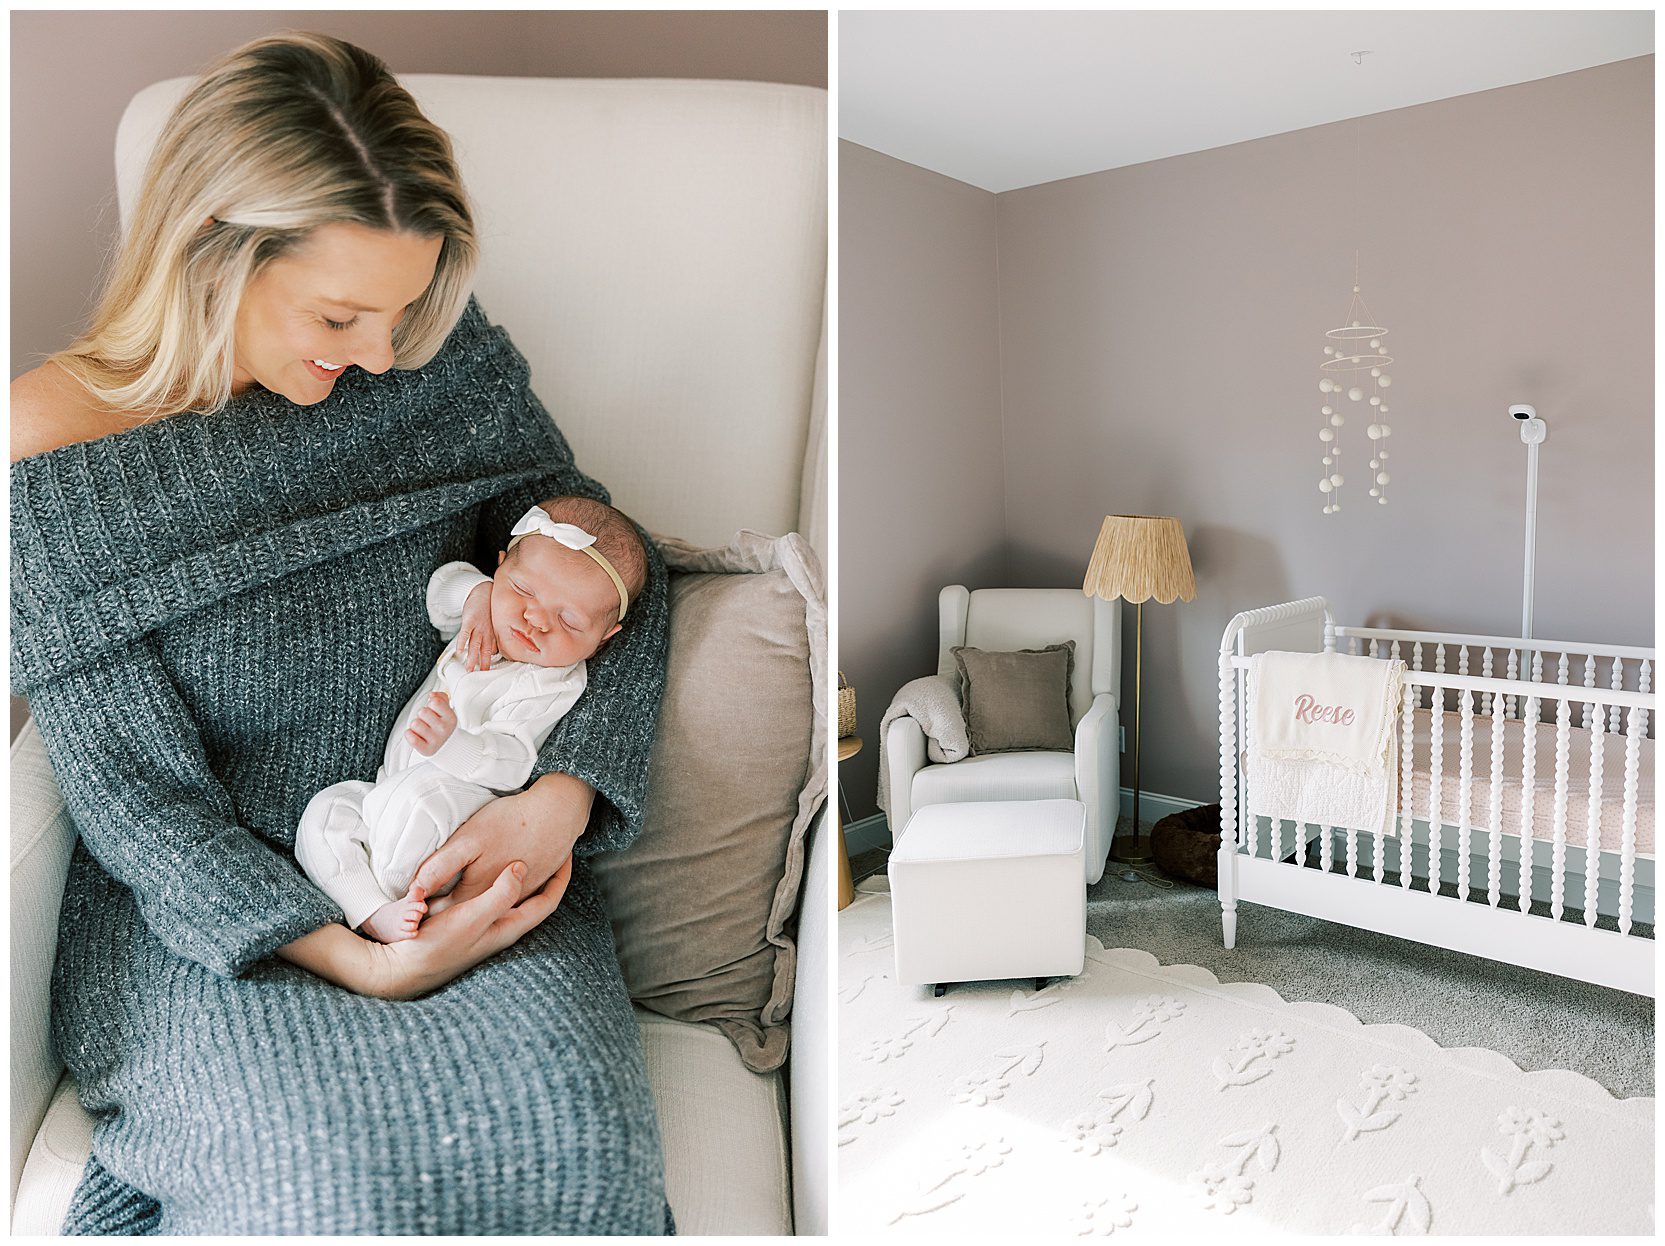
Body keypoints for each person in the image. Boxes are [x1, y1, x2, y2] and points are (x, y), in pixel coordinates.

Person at [10, 32, 673, 1234]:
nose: (379, 354)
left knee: (580, 1162)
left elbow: (615, 568)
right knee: (325, 1197)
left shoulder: (430, 362)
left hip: (462, 858)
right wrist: (358, 955)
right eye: (342, 313)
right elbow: (137, 802)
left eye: (405, 310)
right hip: (219, 923)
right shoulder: (53, 458)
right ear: (215, 247)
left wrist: (563, 794)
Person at [296, 497, 649, 943]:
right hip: (384, 790)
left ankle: (413, 904)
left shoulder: (553, 682)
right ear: (500, 567)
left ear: (603, 640)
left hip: (464, 806)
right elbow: (439, 589)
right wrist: (476, 597)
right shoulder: (483, 622)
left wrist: (452, 744)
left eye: (569, 620)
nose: (535, 619)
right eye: (523, 590)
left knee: (422, 798)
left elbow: (515, 761)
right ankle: (372, 909)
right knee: (325, 812)